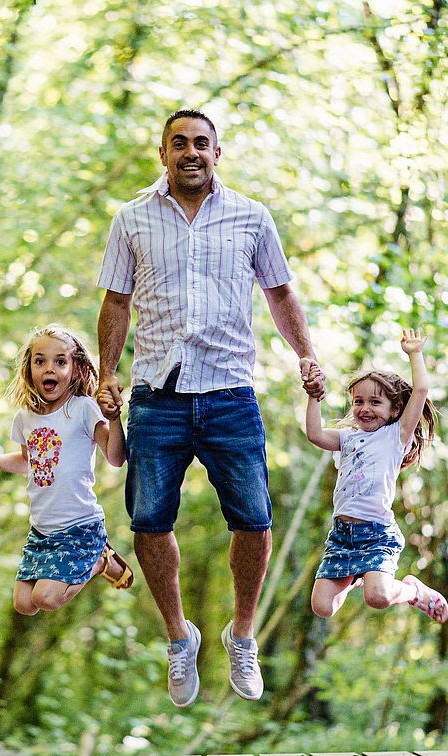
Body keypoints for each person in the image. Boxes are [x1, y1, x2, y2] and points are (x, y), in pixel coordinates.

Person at [96, 109, 325, 707]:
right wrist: (105, 376)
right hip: (156, 394)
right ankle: (180, 638)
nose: (191, 152)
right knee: (149, 522)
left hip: (229, 392)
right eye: (180, 143)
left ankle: (241, 634)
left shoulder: (251, 217)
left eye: (202, 143)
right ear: (163, 153)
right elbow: (116, 303)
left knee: (254, 519)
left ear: (217, 153)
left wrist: (305, 355)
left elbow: (280, 294)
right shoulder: (132, 219)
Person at [0, 325, 133, 614]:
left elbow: (116, 458)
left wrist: (114, 420)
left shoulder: (84, 409)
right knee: (24, 604)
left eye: (60, 361)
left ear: (75, 370)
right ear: (30, 369)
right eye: (40, 361)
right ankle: (94, 560)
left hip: (79, 527)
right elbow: (29, 462)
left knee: (46, 598)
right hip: (42, 530)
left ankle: (98, 560)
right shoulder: (25, 418)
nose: (49, 368)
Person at [304, 329, 448, 623]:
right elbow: (315, 434)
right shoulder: (347, 438)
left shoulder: (396, 437)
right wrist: (314, 397)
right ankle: (358, 576)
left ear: (395, 409)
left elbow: (420, 392)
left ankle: (413, 592)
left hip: (376, 534)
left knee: (378, 597)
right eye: (358, 402)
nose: (365, 408)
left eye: (375, 402)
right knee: (322, 607)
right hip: (342, 537)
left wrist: (414, 354)